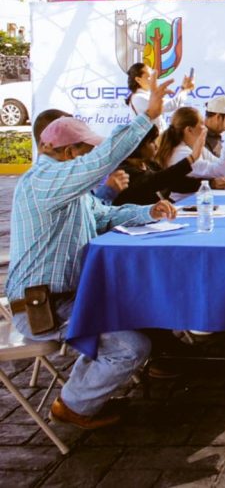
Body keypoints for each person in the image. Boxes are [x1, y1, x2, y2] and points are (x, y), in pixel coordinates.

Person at [6, 81, 178, 430]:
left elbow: (103, 215)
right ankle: (74, 404)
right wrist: (147, 116)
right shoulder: (45, 179)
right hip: (44, 307)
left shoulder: (66, 188)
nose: (89, 161)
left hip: (64, 299)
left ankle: (82, 393)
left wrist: (149, 212)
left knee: (138, 308)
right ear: (69, 153)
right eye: (85, 152)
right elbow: (105, 158)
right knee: (130, 347)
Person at [156, 107, 225, 199]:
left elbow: (221, 165)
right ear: (189, 130)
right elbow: (220, 171)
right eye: (201, 124)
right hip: (185, 204)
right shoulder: (181, 153)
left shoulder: (194, 147)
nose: (205, 128)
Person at [34, 109, 128, 204]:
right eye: (86, 155)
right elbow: (86, 211)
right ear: (68, 152)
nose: (89, 159)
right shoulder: (52, 184)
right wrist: (107, 193)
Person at [113, 126, 202, 205]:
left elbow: (173, 182)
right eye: (152, 142)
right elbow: (158, 180)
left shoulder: (149, 164)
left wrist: (204, 184)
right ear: (139, 145)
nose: (156, 146)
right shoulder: (124, 171)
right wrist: (191, 158)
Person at [125, 62, 195, 132]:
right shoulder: (139, 98)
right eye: (150, 76)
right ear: (138, 79)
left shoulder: (146, 95)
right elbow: (171, 105)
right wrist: (186, 90)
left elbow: (174, 104)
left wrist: (183, 89)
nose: (154, 80)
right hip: (152, 138)